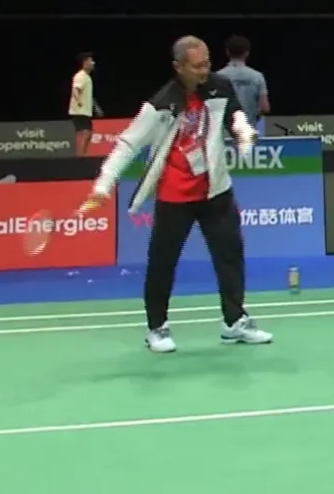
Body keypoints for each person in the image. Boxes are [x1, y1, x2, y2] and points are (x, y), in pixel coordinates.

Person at [78, 36, 273, 353]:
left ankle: (234, 321)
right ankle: (157, 328)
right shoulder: (161, 104)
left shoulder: (219, 86)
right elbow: (127, 144)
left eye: (207, 63)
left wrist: (243, 132)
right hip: (175, 195)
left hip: (215, 190)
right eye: (197, 66)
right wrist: (103, 185)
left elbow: (235, 114)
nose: (204, 71)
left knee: (230, 255)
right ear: (178, 67)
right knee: (163, 262)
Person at [217, 35, 271, 124]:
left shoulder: (218, 77)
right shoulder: (257, 76)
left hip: (226, 129)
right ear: (247, 53)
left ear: (227, 52)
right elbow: (265, 108)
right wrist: (254, 116)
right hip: (248, 128)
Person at [68, 52, 100, 156]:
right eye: (91, 61)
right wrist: (79, 102)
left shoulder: (87, 77)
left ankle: (83, 155)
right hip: (78, 110)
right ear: (85, 63)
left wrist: (96, 107)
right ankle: (81, 157)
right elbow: (75, 90)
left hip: (85, 111)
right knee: (84, 133)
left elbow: (88, 96)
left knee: (88, 133)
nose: (93, 63)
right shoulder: (80, 76)